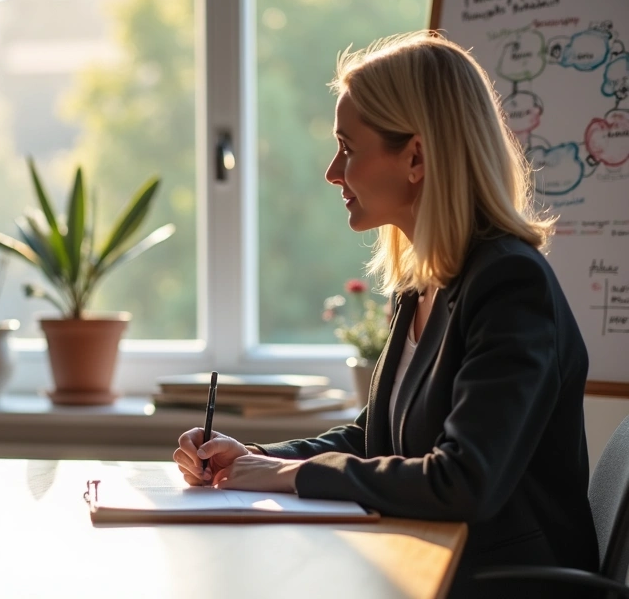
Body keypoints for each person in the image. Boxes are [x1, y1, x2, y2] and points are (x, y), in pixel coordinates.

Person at [173, 31, 597, 598]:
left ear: (416, 157)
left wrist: (288, 476)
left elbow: (463, 481)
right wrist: (254, 457)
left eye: (348, 147)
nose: (332, 171)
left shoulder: (508, 283)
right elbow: (375, 437)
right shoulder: (425, 283)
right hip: (428, 563)